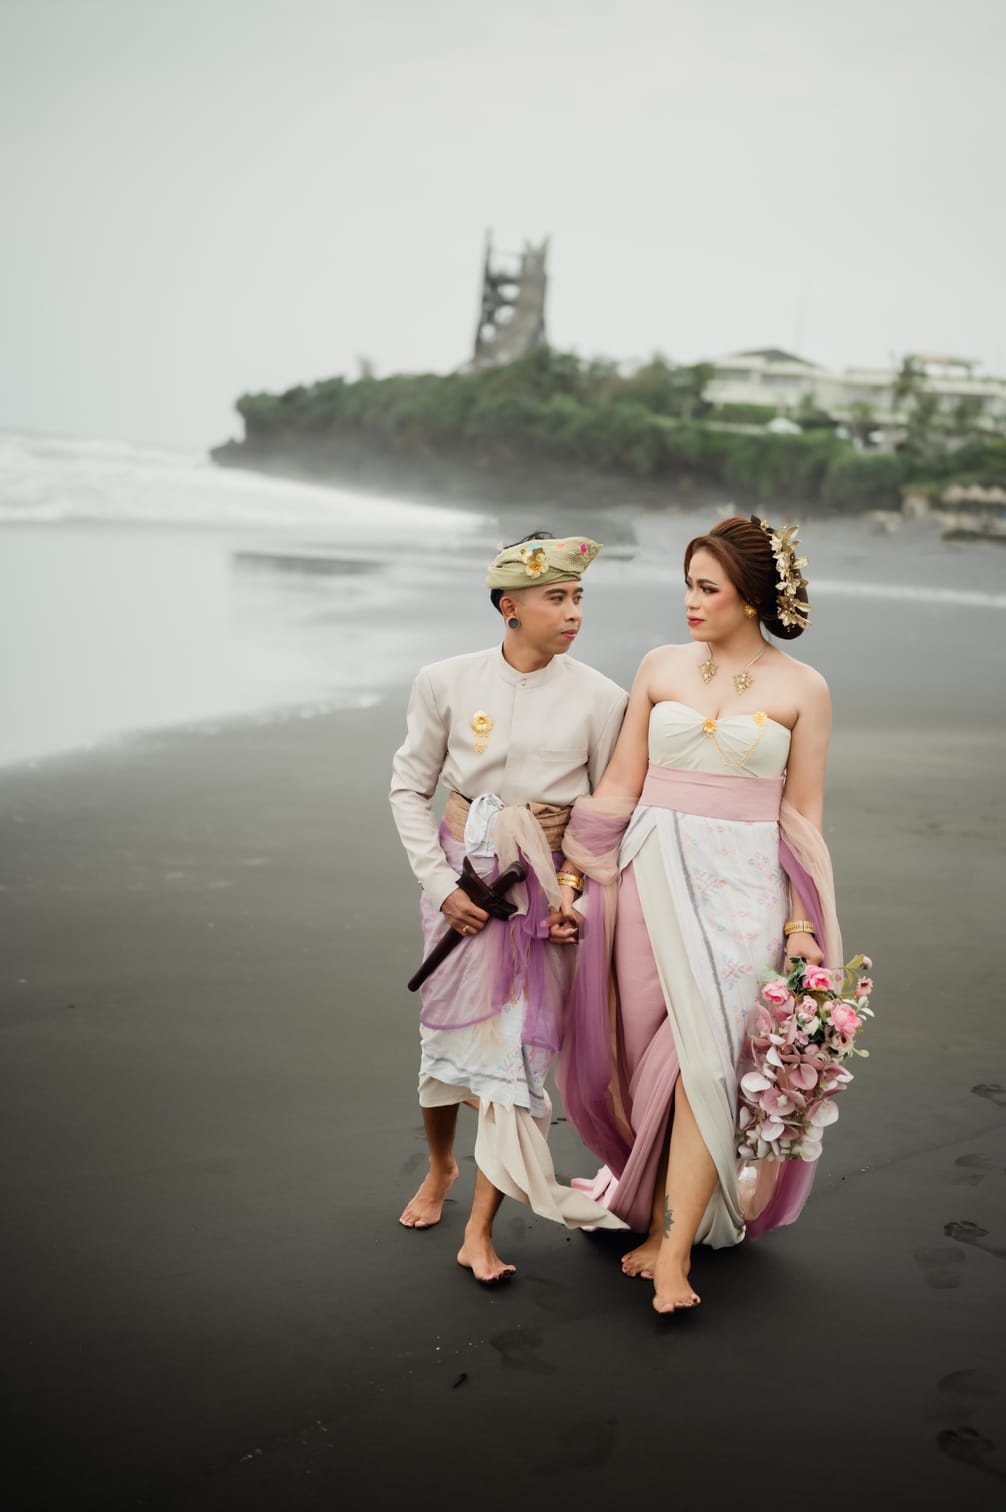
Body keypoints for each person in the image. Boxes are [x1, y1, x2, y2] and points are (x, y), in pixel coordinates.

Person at [555, 514, 843, 1314]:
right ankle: (657, 1210)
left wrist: (801, 924)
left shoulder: (804, 688)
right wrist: (574, 879)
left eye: (706, 588)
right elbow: (619, 784)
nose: (689, 601)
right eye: (687, 584)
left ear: (750, 596)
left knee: (709, 1061)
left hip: (745, 888)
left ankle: (673, 1247)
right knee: (649, 1054)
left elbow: (804, 821)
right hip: (649, 877)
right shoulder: (660, 665)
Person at [389, 531, 630, 1283]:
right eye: (556, 597)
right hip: (461, 883)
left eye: (579, 597)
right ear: (509, 606)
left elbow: (604, 817)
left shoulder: (603, 699)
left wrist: (574, 896)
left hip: (545, 897)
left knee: (519, 1059)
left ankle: (480, 1231)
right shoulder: (444, 681)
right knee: (445, 1044)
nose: (574, 612)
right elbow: (409, 787)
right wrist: (443, 888)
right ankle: (442, 1166)